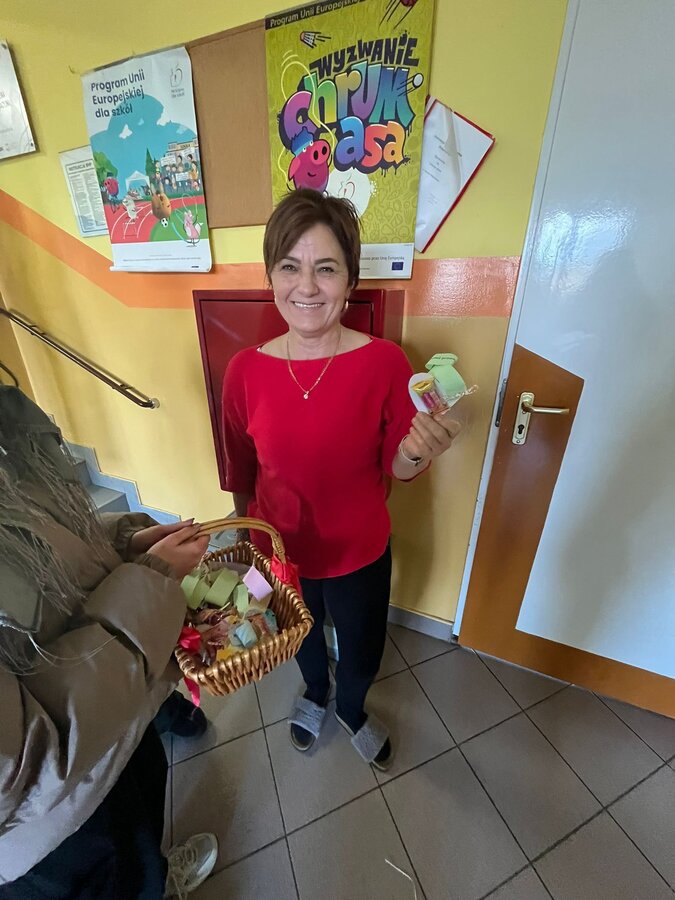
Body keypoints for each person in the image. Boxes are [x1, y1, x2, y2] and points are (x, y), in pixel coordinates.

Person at [222, 188, 460, 770]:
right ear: (271, 277)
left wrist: (419, 452)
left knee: (361, 648)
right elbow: (240, 469)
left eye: (326, 269)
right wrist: (249, 550)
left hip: (359, 551)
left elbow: (399, 466)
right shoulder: (244, 371)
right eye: (290, 267)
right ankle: (314, 693)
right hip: (280, 552)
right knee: (299, 639)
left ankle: (351, 707)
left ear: (350, 281)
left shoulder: (385, 362)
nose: (306, 286)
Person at [0, 386, 217, 898]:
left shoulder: (9, 419)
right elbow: (21, 763)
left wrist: (122, 545)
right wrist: (149, 581)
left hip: (117, 721)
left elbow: (40, 543)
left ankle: (157, 875)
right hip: (56, 827)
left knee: (142, 836)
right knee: (117, 876)